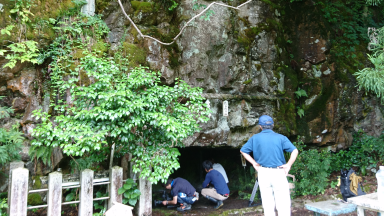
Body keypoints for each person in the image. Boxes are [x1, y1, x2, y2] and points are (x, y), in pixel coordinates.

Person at [240, 115, 298, 216]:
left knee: (267, 204)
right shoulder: (281, 138)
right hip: (278, 172)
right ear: (273, 125)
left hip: (263, 172)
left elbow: (243, 151)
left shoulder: (255, 138)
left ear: (260, 126)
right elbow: (295, 150)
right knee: (283, 204)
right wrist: (288, 165)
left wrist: (254, 163)